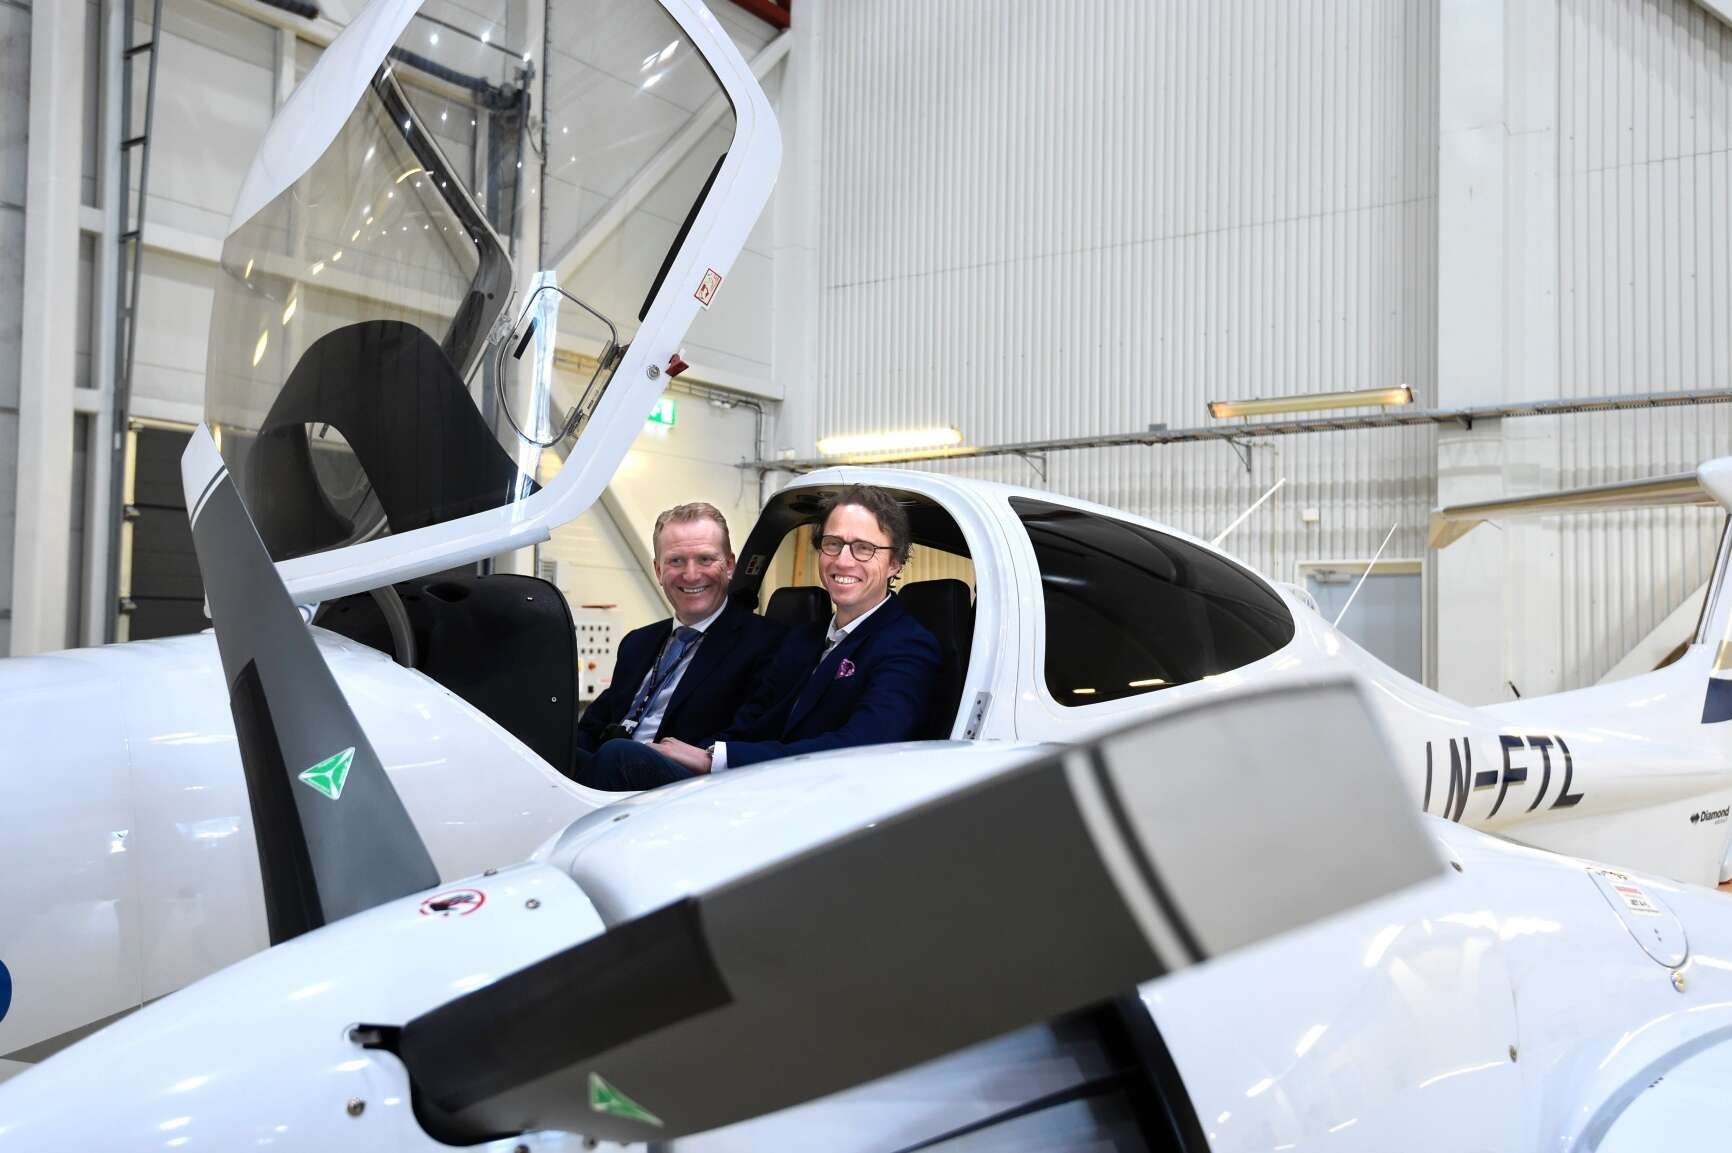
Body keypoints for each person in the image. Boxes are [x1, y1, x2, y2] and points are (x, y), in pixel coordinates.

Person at [584, 484, 940, 791]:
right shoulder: (804, 640)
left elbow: (863, 746)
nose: (843, 561)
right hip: (759, 785)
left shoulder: (907, 646)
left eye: (864, 548)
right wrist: (708, 753)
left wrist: (717, 759)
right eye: (833, 544)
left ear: (895, 563)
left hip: (822, 798)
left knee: (620, 758)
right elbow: (751, 723)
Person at [569, 502, 785, 784]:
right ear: (658, 570)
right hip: (611, 774)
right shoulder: (637, 643)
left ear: (730, 566)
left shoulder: (768, 643)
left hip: (689, 786)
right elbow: (592, 727)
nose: (691, 575)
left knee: (620, 754)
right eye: (676, 561)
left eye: (705, 559)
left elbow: (749, 733)